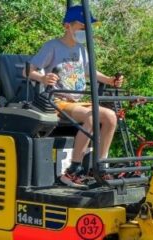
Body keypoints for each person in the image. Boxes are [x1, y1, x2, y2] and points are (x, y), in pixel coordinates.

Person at [25, 6, 124, 188]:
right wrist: (43, 78)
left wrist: (110, 80)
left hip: (78, 102)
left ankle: (100, 166)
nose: (85, 31)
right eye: (81, 27)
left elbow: (90, 72)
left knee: (111, 117)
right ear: (67, 26)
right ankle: (73, 170)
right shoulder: (52, 46)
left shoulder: (81, 49)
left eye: (87, 28)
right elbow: (28, 71)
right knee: (92, 117)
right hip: (57, 101)